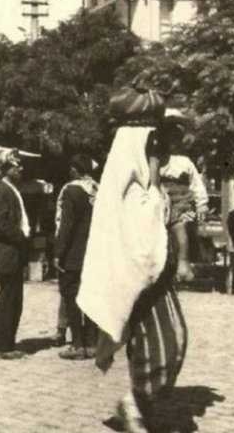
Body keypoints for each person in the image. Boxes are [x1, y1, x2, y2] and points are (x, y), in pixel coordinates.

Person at [77, 89, 187, 432]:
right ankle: (135, 405)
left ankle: (138, 405)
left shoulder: (147, 184)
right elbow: (138, 238)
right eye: (153, 148)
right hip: (140, 282)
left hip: (154, 280)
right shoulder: (131, 188)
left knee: (170, 342)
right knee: (163, 344)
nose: (158, 153)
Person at [0, 150, 30, 360]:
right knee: (9, 299)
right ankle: (1, 346)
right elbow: (0, 224)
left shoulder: (8, 189)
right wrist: (21, 237)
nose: (20, 169)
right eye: (16, 166)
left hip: (11, 252)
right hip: (7, 252)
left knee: (9, 298)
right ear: (7, 169)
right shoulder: (3, 191)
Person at [53, 154, 98, 361]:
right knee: (91, 296)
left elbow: (66, 225)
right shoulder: (99, 190)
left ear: (74, 169)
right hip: (95, 252)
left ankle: (77, 344)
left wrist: (58, 253)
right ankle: (92, 342)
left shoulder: (71, 190)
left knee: (71, 297)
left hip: (74, 253)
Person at [159, 112, 208, 282]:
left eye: (175, 138)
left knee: (181, 229)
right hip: (160, 199)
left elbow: (196, 184)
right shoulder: (157, 159)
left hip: (182, 200)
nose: (172, 142)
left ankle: (183, 263)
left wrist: (202, 204)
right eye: (169, 138)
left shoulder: (185, 161)